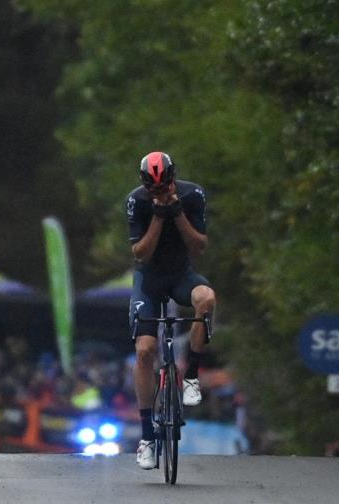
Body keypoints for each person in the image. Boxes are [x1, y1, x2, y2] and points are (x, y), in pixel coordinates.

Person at [126, 151, 216, 469]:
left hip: (181, 275)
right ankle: (147, 437)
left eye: (164, 187)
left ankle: (190, 376)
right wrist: (158, 216)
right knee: (145, 351)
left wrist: (177, 214)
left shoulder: (193, 195)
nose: (159, 193)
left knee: (206, 299)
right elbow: (141, 254)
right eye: (153, 189)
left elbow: (199, 246)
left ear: (173, 179)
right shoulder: (137, 201)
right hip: (149, 281)